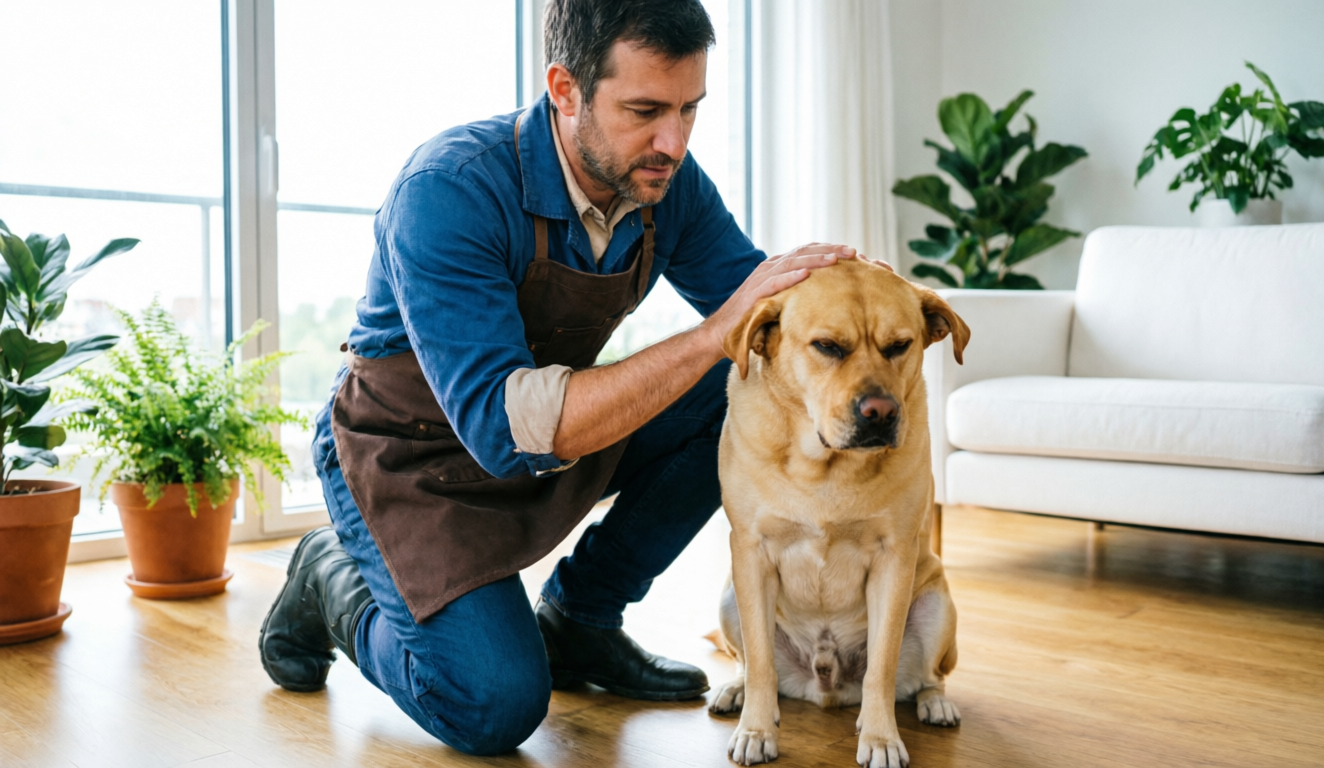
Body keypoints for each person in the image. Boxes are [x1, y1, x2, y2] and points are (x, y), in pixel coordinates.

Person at [258, 0, 868, 756]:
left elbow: (767, 317)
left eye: (689, 110)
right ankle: (330, 579)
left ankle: (582, 619)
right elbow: (504, 426)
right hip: (406, 462)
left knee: (735, 385)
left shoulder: (664, 181)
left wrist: (871, 314)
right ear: (565, 88)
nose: (672, 142)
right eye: (644, 110)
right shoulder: (449, 189)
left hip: (549, 435)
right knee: (493, 706)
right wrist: (716, 332)